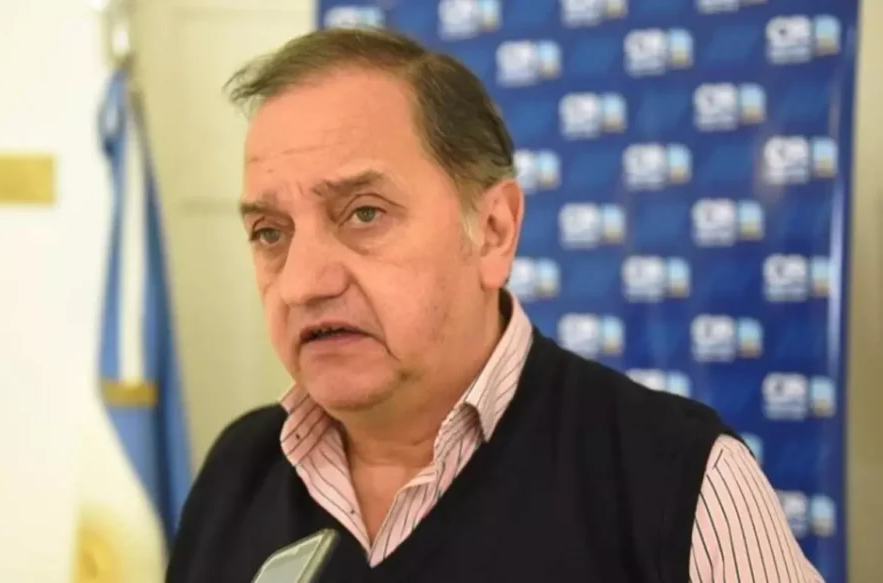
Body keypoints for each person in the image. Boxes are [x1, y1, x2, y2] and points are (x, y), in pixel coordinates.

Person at [166, 28, 823, 583]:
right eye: (270, 233)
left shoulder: (681, 481)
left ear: (493, 231)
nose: (302, 283)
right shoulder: (235, 471)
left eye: (364, 213)